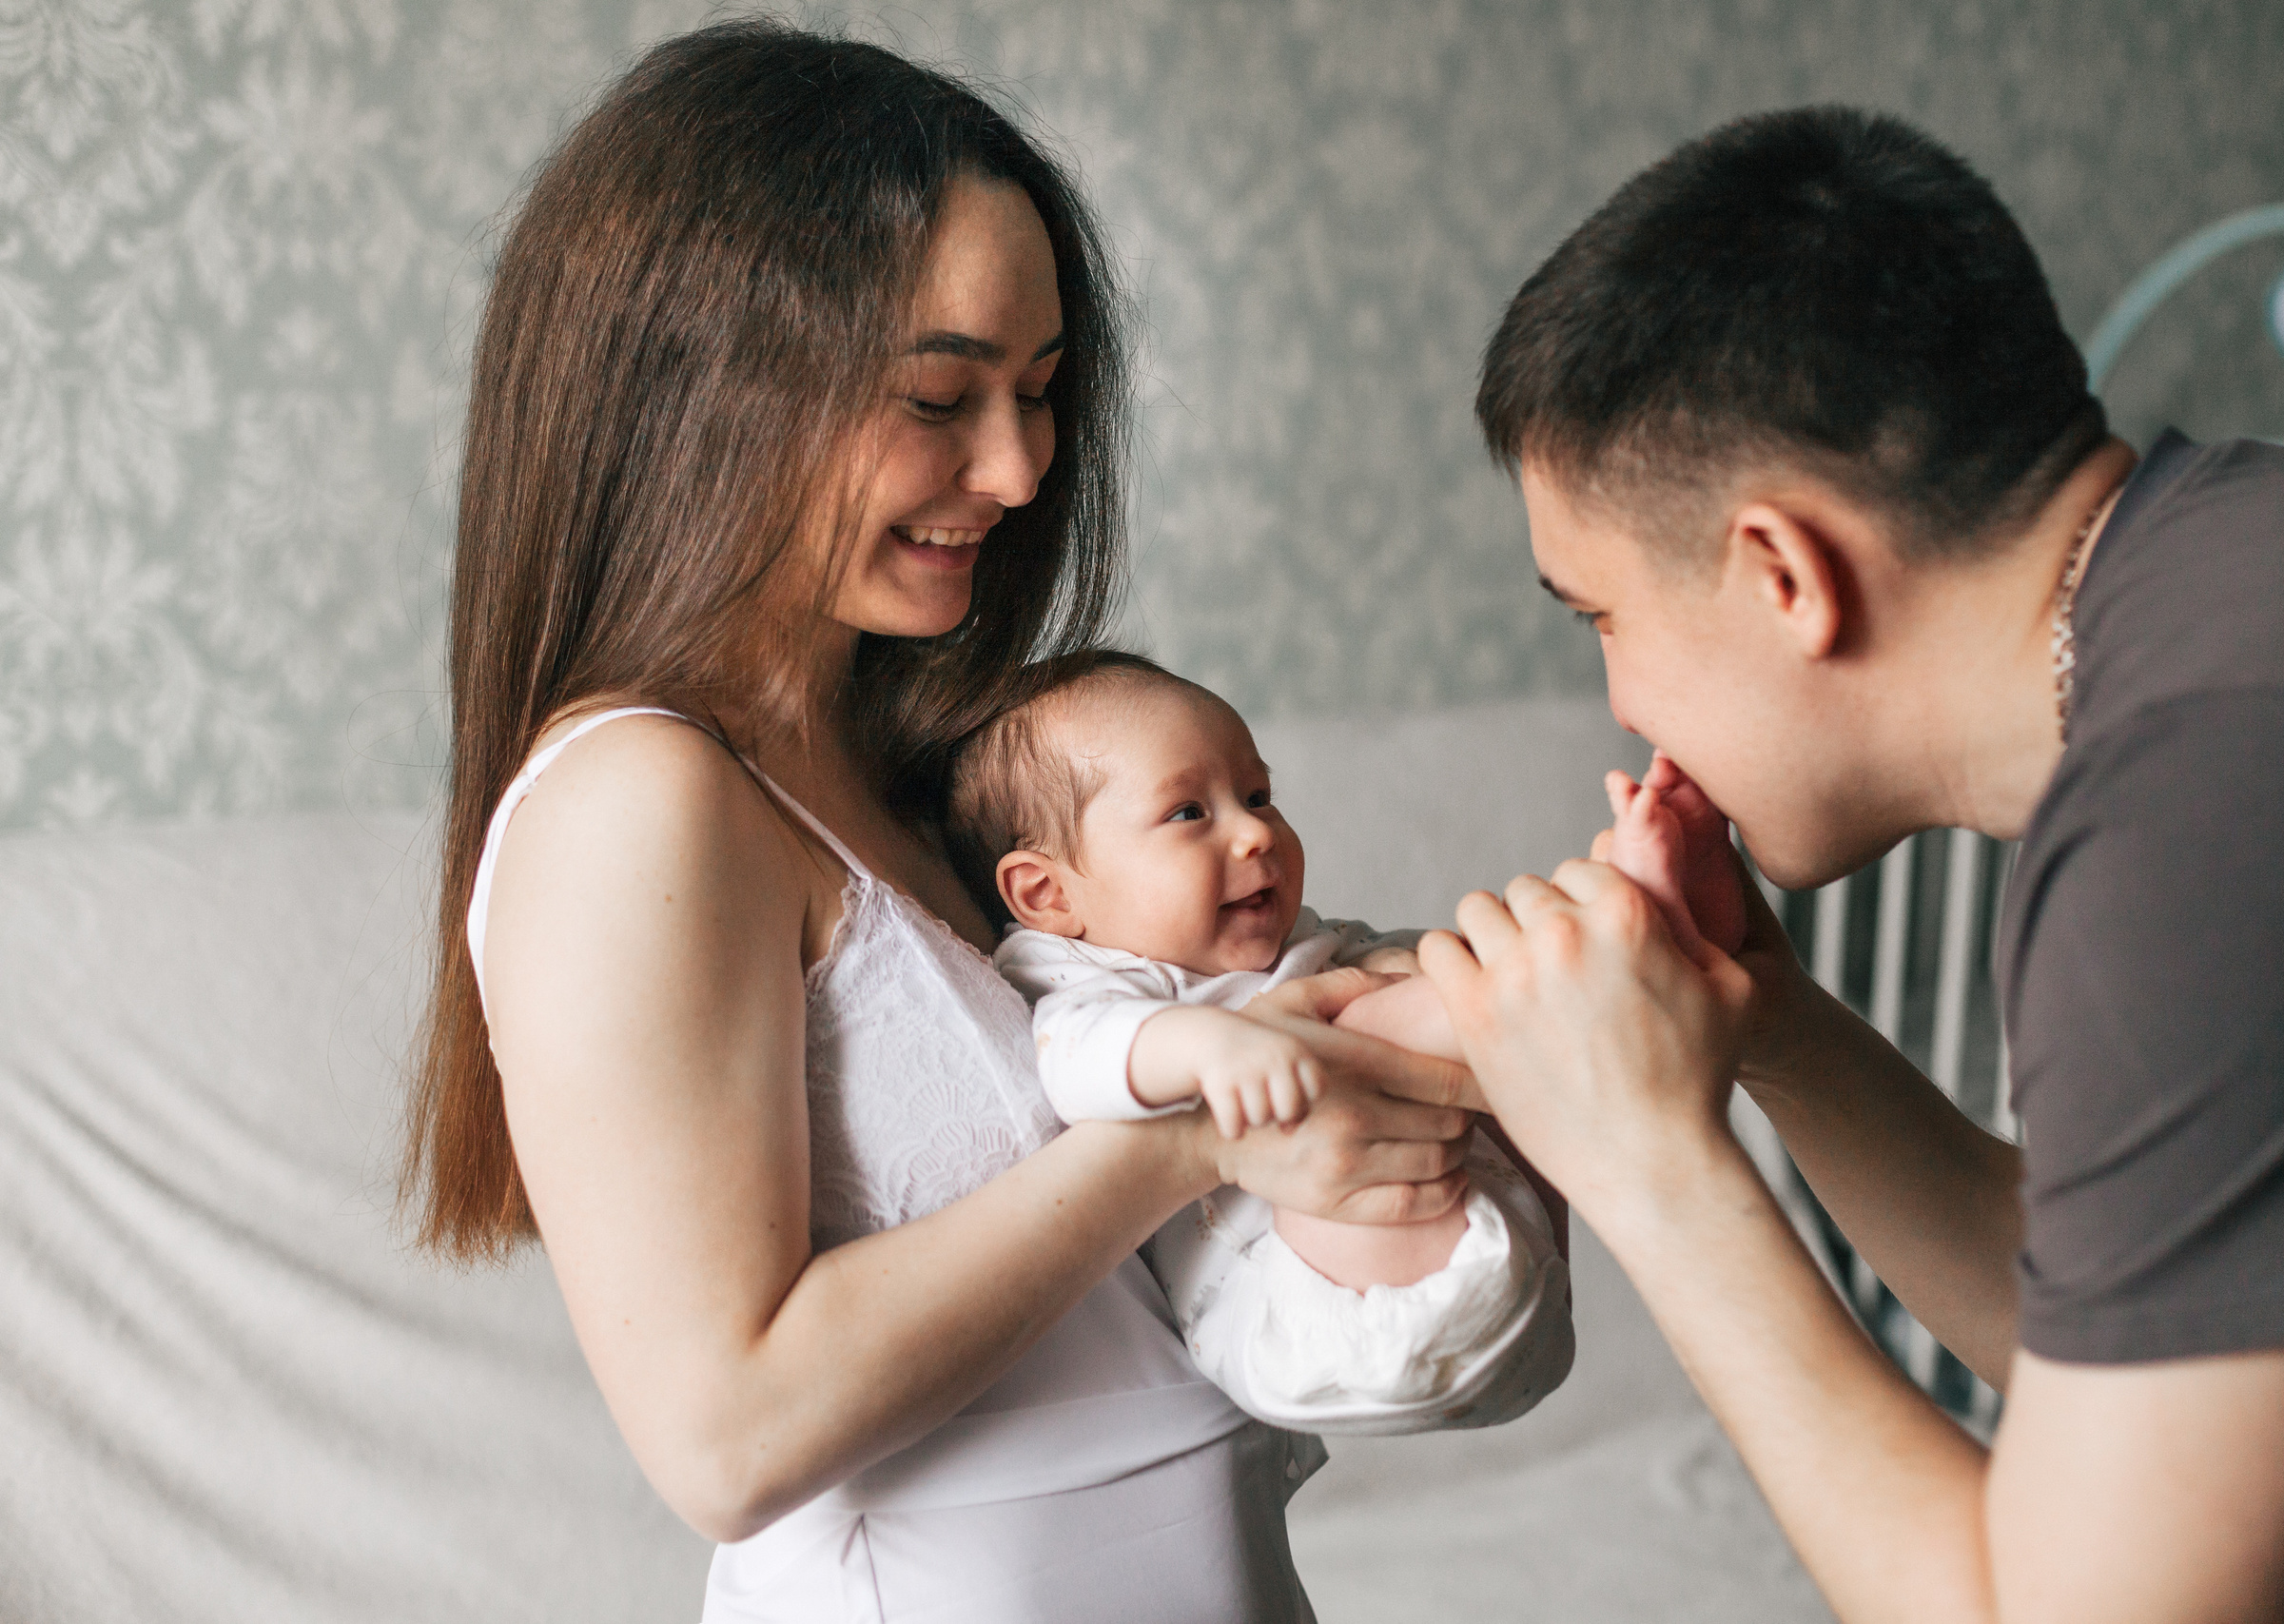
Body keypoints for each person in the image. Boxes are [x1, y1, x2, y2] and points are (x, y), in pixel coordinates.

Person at [401, 25, 1488, 1622]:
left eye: (1043, 393)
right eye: (942, 395)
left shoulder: (909, 763)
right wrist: (1197, 1126)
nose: (1021, 465)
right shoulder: (639, 801)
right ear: (704, 380)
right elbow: (727, 1429)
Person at [1426, 105, 2284, 1623]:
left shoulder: (2195, 803)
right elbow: (2133, 1342)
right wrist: (1772, 1027)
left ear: (1783, 572)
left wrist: (1646, 1162)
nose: (1621, 702)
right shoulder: (2270, 579)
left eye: (1601, 618)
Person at [943, 649, 1574, 1428]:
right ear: (1047, 892)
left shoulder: (1298, 949)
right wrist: (1210, 1047)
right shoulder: (1077, 978)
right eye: (1189, 813)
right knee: (1362, 1024)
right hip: (1317, 1308)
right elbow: (1073, 1059)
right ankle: (1573, 973)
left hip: (1515, 1274)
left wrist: (1408, 963)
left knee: (1417, 978)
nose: (1254, 833)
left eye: (1258, 795)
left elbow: (1378, 957)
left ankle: (1573, 963)